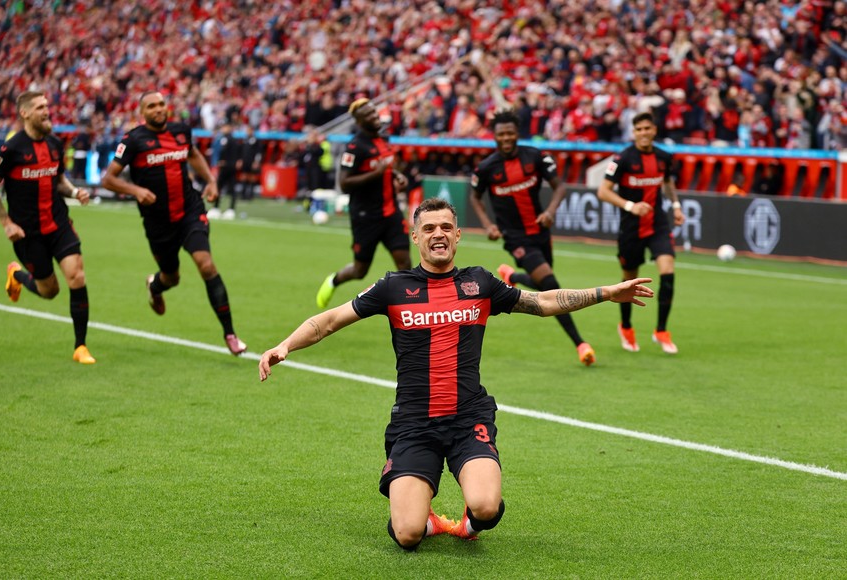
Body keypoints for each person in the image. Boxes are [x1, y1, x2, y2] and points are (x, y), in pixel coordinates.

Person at [258, 197, 654, 551]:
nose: (438, 234)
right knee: (408, 534)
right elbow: (328, 321)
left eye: (446, 227)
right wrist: (284, 345)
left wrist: (606, 292)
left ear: (458, 235)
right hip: (414, 422)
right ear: (415, 237)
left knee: (486, 508)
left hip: (468, 417)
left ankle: (467, 523)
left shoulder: (479, 282)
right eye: (428, 228)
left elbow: (542, 302)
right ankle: (426, 519)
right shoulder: (393, 287)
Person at [100, 91, 247, 356]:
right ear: (142, 112)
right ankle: (155, 286)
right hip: (158, 222)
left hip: (189, 211)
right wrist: (136, 191)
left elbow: (193, 156)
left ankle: (230, 334)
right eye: (151, 106)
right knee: (172, 277)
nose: (158, 109)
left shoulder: (181, 132)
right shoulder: (133, 140)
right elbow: (108, 179)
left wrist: (211, 181)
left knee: (207, 265)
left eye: (161, 104)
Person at [469, 108, 596, 366]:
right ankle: (581, 344)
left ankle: (513, 277)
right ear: (494, 136)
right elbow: (475, 196)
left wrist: (550, 211)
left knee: (546, 284)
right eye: (500, 134)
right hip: (515, 238)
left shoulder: (535, 156)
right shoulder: (486, 168)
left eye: (510, 133)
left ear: (517, 134)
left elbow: (560, 186)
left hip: (540, 230)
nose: (505, 138)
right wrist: (488, 225)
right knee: (551, 286)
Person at [0, 90, 96, 364]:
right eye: (40, 108)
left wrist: (74, 192)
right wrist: (6, 223)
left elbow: (59, 180)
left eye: (47, 106)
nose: (47, 111)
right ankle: (17, 275)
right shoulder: (11, 150)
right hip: (27, 233)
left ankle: (80, 346)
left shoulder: (55, 144)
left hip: (58, 224)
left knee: (77, 277)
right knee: (50, 291)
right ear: (25, 114)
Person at [596, 111, 686, 354]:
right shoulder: (623, 158)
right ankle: (626, 326)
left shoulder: (664, 157)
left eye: (647, 128)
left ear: (654, 130)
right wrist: (630, 206)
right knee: (628, 281)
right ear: (633, 133)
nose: (644, 133)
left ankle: (661, 331)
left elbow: (667, 183)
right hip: (631, 228)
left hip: (657, 224)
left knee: (668, 273)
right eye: (639, 130)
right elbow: (603, 191)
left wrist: (676, 206)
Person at [315, 98, 411, 308]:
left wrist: (396, 176)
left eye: (374, 113)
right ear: (359, 122)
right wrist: (374, 174)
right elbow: (345, 183)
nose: (374, 117)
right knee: (360, 271)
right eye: (368, 115)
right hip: (366, 216)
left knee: (405, 263)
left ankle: (408, 311)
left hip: (391, 211)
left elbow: (386, 166)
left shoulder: (384, 139)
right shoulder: (355, 147)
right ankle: (334, 280)